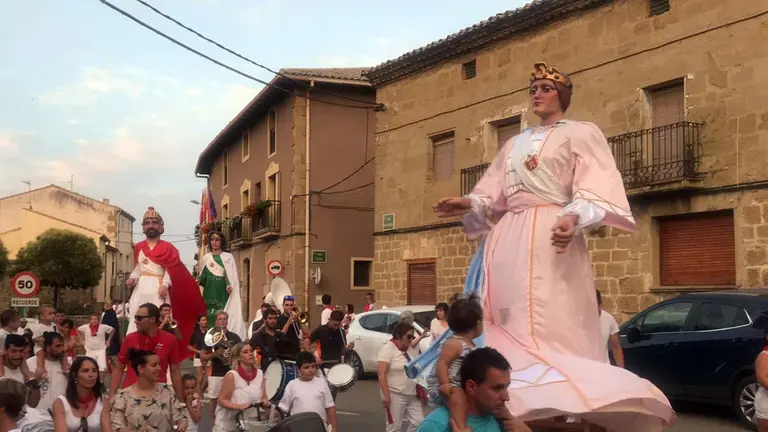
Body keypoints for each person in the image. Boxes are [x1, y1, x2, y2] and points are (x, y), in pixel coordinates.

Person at [432, 61, 674, 430]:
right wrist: (469, 202)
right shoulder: (513, 144)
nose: (537, 94)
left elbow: (596, 184)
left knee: (554, 318)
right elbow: (493, 192)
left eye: (546, 88)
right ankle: (508, 396)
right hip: (508, 238)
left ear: (562, 95)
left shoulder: (580, 133)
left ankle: (566, 403)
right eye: (533, 89)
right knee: (506, 314)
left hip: (551, 232)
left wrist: (572, 217)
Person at [125, 206, 207, 354]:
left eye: (154, 222)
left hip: (158, 290)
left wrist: (165, 284)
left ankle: (159, 353)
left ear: (161, 226)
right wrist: (132, 278)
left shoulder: (169, 248)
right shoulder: (138, 247)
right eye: (147, 223)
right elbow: (137, 269)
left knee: (160, 320)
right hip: (141, 289)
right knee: (136, 317)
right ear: (143, 227)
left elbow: (171, 270)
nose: (150, 225)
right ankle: (134, 350)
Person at [427, 297, 502, 430]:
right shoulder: (455, 343)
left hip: (457, 383)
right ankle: (461, 427)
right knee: (458, 398)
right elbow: (442, 364)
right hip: (445, 384)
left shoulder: (471, 345)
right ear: (477, 323)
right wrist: (445, 383)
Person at [418, 348, 530, 432]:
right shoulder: (437, 425)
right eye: (497, 388)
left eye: (506, 387)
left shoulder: (503, 421)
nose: (506, 397)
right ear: (471, 387)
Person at [110, 303, 184, 402]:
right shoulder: (130, 339)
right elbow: (119, 368)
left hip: (158, 397)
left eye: (139, 318)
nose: (135, 321)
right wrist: (112, 396)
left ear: (152, 319)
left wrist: (181, 401)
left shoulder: (169, 339)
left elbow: (175, 372)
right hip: (131, 397)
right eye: (135, 318)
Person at [111, 348, 188, 432]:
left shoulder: (167, 391)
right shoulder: (124, 396)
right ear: (140, 368)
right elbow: (117, 426)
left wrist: (182, 424)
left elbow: (180, 417)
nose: (159, 368)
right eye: (154, 365)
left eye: (159, 364)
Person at [197, 231, 247, 339]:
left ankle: (223, 337)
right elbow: (203, 275)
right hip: (209, 291)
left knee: (221, 314)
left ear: (221, 242)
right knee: (209, 315)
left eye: (217, 240)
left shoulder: (228, 257)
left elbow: (230, 275)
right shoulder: (206, 257)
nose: (214, 242)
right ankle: (210, 338)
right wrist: (198, 280)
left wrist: (229, 285)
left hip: (222, 291)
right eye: (212, 240)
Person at [378, 322, 424, 432]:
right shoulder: (388, 349)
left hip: (412, 394)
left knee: (420, 423)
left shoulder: (411, 349)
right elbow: (381, 373)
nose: (411, 339)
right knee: (394, 428)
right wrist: (386, 395)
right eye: (409, 336)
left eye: (413, 337)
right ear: (399, 335)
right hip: (395, 393)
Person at [214, 342, 269, 432]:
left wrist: (266, 403)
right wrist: (238, 406)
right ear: (238, 357)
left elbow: (264, 397)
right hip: (228, 426)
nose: (250, 354)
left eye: (251, 351)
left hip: (248, 425)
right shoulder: (232, 375)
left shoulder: (260, 373)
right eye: (245, 352)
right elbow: (222, 400)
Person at [278, 351, 337, 431]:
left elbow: (330, 407)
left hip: (319, 428)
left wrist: (334, 428)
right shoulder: (292, 385)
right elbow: (283, 408)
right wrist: (272, 410)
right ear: (298, 369)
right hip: (298, 428)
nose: (311, 370)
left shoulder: (321, 382)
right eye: (306, 367)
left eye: (313, 366)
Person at [52, 356, 111, 431]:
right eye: (85, 371)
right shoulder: (60, 403)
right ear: (74, 375)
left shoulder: (103, 401)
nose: (91, 375)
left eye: (94, 370)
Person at [207, 311, 242, 419]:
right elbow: (203, 356)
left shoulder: (234, 337)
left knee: (232, 400)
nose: (222, 321)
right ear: (216, 322)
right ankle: (214, 424)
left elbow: (240, 354)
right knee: (214, 401)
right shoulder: (211, 337)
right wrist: (214, 354)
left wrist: (233, 357)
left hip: (232, 373)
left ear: (227, 321)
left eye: (224, 319)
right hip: (216, 373)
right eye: (220, 319)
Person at [78, 314, 115, 382]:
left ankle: (101, 382)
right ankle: (91, 382)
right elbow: (78, 330)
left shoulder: (103, 327)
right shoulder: (85, 327)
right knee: (89, 367)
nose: (94, 320)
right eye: (92, 319)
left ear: (98, 320)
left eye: (96, 319)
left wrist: (108, 340)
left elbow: (112, 330)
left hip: (101, 350)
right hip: (89, 351)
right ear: (90, 320)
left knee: (102, 368)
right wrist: (81, 339)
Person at [597, 290, 624, 368]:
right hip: (584, 370)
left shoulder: (609, 319)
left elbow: (616, 346)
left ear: (600, 303)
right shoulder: (579, 321)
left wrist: (621, 369)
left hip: (604, 368)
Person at [187, 315, 209, 385]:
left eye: (205, 320)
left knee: (207, 380)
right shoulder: (195, 333)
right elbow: (189, 346)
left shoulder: (209, 332)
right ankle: (198, 391)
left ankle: (201, 391)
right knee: (200, 378)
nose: (204, 321)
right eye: (203, 320)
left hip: (208, 357)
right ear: (198, 322)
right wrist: (198, 351)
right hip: (198, 357)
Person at [101, 301, 122, 366]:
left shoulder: (108, 314)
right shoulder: (112, 314)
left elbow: (105, 326)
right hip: (114, 337)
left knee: (111, 353)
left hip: (109, 337)